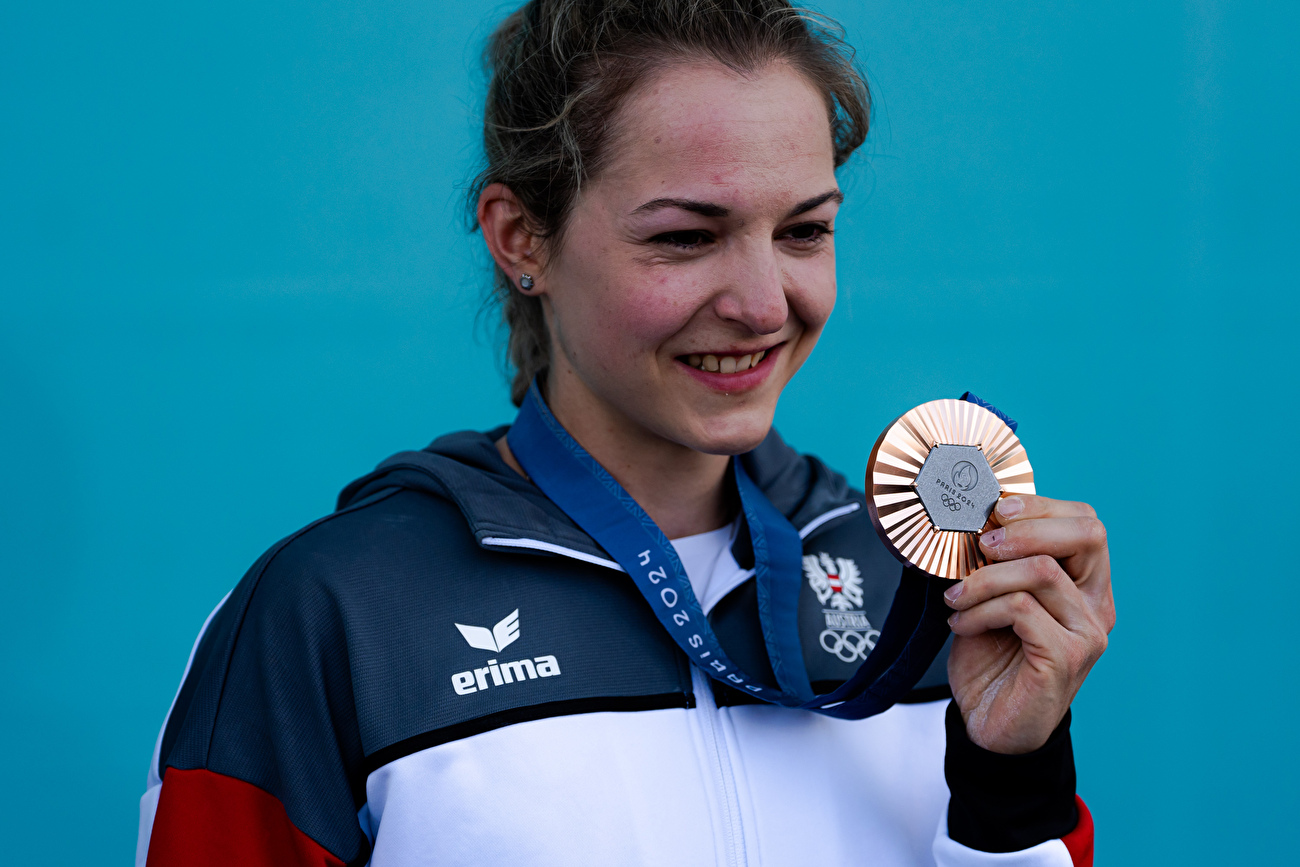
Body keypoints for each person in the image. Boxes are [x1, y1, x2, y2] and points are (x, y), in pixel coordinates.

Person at [136, 2, 1114, 865]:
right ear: (522, 239)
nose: (763, 302)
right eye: (685, 237)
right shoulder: (337, 615)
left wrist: (1010, 779)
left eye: (803, 231)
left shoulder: (924, 589)